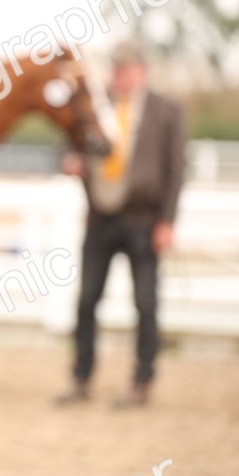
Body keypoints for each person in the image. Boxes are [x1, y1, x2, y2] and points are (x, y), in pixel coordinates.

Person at [58, 40, 187, 408]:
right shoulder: (99, 107)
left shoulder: (167, 111)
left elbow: (176, 171)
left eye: (127, 69)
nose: (120, 76)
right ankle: (81, 378)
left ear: (142, 71)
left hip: (144, 221)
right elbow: (70, 142)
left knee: (146, 303)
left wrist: (167, 221)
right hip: (101, 217)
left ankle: (142, 382)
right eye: (116, 69)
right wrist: (72, 160)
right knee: (86, 301)